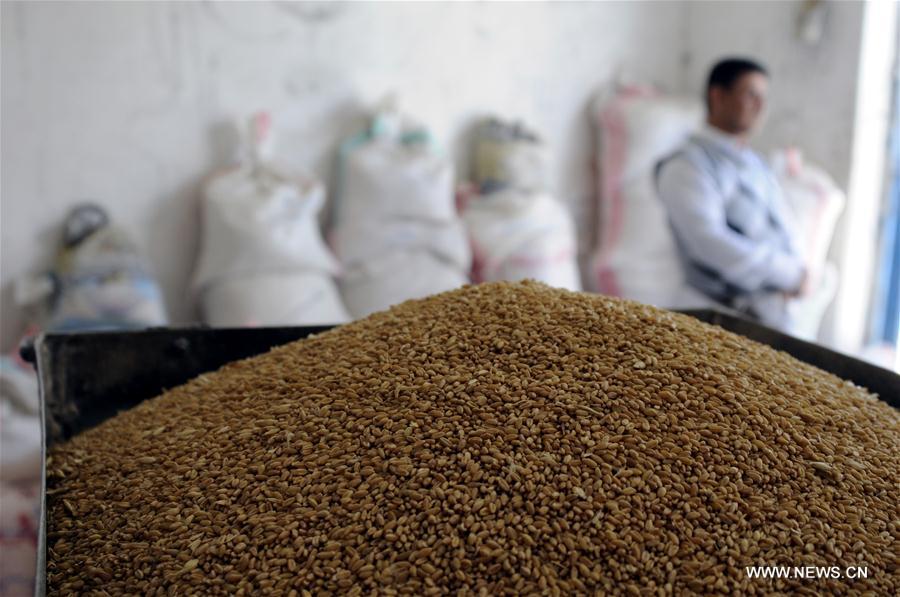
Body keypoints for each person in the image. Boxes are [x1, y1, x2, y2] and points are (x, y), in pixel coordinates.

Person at [656, 58, 807, 329]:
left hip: (770, 314)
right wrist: (788, 275)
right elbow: (711, 244)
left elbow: (784, 225)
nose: (761, 106)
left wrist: (801, 272)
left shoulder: (756, 164)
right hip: (720, 317)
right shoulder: (686, 166)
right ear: (718, 97)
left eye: (764, 97)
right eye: (751, 94)